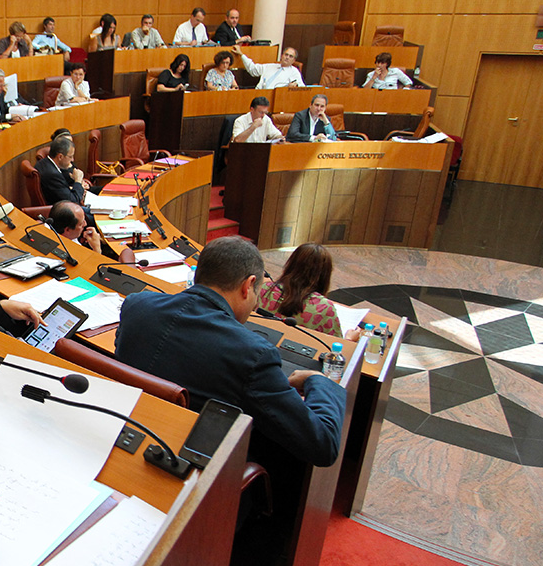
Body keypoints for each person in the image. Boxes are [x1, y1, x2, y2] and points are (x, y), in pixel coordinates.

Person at [115, 236, 346, 468]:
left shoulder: (137, 305)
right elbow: (322, 445)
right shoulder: (253, 354)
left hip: (124, 437)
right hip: (189, 470)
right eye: (257, 294)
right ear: (248, 285)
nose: (256, 305)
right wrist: (319, 382)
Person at [258, 243, 361, 340]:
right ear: (324, 275)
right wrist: (349, 339)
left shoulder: (263, 289)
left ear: (290, 265)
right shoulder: (324, 308)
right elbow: (335, 350)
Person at [50, 200, 117, 259]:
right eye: (81, 224)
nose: (85, 224)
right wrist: (97, 249)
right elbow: (93, 269)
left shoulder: (61, 231)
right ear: (67, 230)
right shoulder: (68, 252)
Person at [36, 135, 86, 206]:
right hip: (63, 211)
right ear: (60, 156)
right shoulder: (52, 175)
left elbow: (60, 190)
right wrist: (78, 181)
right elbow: (73, 201)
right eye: (70, 156)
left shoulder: (43, 163)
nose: (72, 160)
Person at [237, 45, 305, 89]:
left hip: (277, 98)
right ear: (281, 56)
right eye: (286, 55)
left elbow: (301, 87)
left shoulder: (294, 71)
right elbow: (253, 69)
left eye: (290, 56)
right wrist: (241, 54)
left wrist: (294, 86)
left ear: (294, 60)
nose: (287, 57)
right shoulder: (270, 66)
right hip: (259, 93)